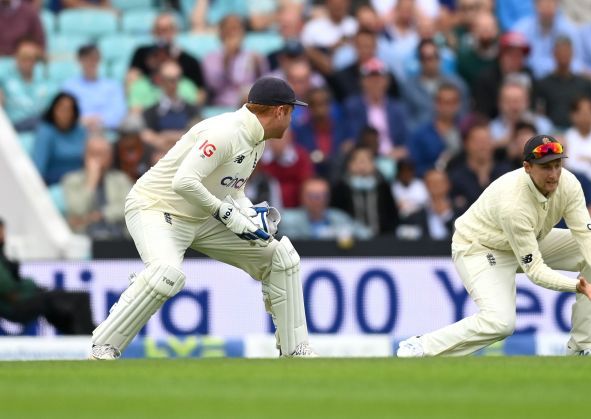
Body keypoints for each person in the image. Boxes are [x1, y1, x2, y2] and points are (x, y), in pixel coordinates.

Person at [88, 77, 317, 360]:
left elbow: (233, 188)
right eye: (291, 112)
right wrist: (226, 212)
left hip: (203, 215)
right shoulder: (225, 132)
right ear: (280, 111)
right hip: (157, 207)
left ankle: (296, 351)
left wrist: (246, 213)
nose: (291, 120)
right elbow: (184, 182)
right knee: (166, 275)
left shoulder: (257, 139)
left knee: (282, 258)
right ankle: (104, 346)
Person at [397, 135, 591, 357]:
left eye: (557, 165)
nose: (553, 174)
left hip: (528, 241)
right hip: (480, 248)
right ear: (527, 167)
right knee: (501, 323)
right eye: (545, 167)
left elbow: (585, 234)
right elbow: (536, 272)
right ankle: (420, 346)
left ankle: (582, 347)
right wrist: (578, 286)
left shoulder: (568, 183)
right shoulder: (514, 205)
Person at [0, 218, 95, 335]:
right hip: (15, 307)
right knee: (77, 299)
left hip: (19, 302)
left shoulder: (3, 254)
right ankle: (87, 336)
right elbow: (10, 292)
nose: (4, 235)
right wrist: (31, 287)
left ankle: (77, 335)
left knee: (52, 305)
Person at [62, 135, 133, 239]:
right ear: (85, 156)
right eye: (93, 154)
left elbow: (130, 208)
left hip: (118, 236)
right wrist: (91, 182)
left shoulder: (121, 180)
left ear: (110, 157)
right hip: (85, 238)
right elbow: (77, 211)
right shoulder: (71, 181)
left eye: (102, 154)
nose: (98, 159)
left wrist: (102, 215)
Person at [279, 177, 373, 240]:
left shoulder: (339, 217)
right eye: (313, 196)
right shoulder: (287, 219)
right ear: (302, 197)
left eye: (323, 195)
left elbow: (366, 234)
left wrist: (345, 232)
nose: (319, 200)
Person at [63, 44, 127, 131]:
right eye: (86, 59)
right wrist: (82, 121)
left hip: (106, 131)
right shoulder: (69, 86)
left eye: (94, 59)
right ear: (79, 61)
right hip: (77, 131)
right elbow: (65, 112)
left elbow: (119, 113)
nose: (91, 63)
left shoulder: (112, 86)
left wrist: (99, 120)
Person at [33, 92, 88, 186]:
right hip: (55, 184)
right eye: (61, 109)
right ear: (53, 110)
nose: (64, 114)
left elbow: (87, 160)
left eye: (69, 110)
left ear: (74, 113)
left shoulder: (81, 131)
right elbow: (38, 167)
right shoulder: (45, 132)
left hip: (81, 183)